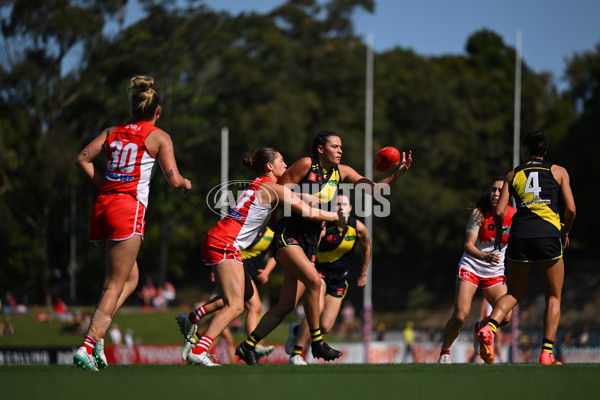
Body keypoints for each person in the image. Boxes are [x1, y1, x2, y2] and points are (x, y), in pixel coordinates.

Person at [235, 130, 412, 365]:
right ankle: (317, 342)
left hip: (309, 241)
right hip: (288, 235)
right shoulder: (306, 164)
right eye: (335, 146)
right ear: (321, 149)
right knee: (314, 282)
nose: (340, 150)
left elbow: (374, 189)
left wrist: (397, 174)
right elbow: (278, 191)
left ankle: (248, 346)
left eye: (341, 147)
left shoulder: (342, 172)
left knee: (286, 304)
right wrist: (304, 201)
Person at [176, 146, 345, 366]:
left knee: (245, 295)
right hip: (225, 243)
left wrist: (304, 197)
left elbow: (279, 213)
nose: (286, 164)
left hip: (220, 241)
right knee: (236, 306)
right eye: (282, 161)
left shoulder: (261, 185)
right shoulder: (273, 188)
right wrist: (334, 216)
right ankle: (199, 350)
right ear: (269, 166)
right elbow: (307, 212)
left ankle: (192, 318)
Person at [72, 75, 192, 371]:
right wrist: (186, 184)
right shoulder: (159, 136)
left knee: (130, 278)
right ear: (157, 111)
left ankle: (97, 336)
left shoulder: (112, 131)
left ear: (132, 108)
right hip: (127, 208)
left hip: (103, 207)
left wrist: (104, 184)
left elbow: (82, 159)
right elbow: (173, 179)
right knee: (115, 284)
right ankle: (87, 345)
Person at [478, 130, 576, 365]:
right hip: (548, 236)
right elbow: (571, 210)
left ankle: (489, 326)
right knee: (553, 295)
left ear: (525, 150)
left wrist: (502, 236)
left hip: (520, 236)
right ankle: (546, 353)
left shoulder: (513, 174)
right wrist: (566, 231)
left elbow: (500, 211)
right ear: (545, 151)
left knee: (513, 293)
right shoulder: (559, 172)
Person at [286, 194, 371, 365]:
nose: (340, 207)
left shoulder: (358, 227)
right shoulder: (325, 225)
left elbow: (367, 247)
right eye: (337, 204)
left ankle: (296, 331)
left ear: (350, 208)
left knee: (325, 326)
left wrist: (363, 273)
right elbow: (311, 247)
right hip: (320, 273)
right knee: (316, 309)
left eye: (344, 204)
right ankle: (296, 354)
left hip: (340, 280)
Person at [438, 178, 516, 364]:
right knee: (459, 316)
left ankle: (480, 327)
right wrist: (484, 257)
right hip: (471, 267)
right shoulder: (479, 213)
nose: (495, 194)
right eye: (493, 190)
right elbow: (467, 246)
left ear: (508, 194)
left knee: (505, 317)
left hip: (494, 274)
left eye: (500, 190)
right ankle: (444, 352)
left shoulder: (515, 216)